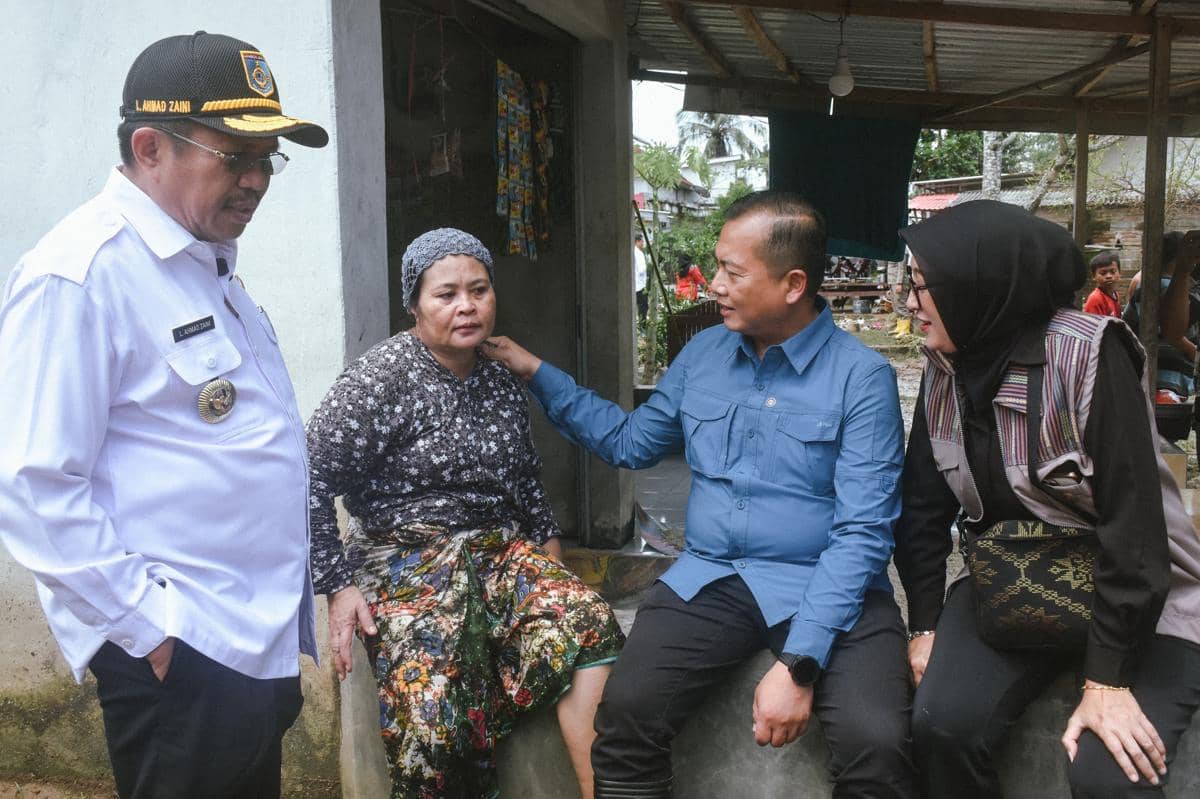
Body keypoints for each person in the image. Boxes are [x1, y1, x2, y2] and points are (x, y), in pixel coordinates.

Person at [486, 191, 915, 799]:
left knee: (878, 744)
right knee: (626, 715)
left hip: (824, 580)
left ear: (793, 284)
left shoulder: (860, 378)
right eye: (717, 266)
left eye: (732, 272)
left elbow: (863, 534)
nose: (714, 284)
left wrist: (800, 663)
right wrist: (536, 372)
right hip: (712, 578)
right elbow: (631, 441)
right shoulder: (705, 353)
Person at [0, 31, 328, 798]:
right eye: (234, 156)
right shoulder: (82, 273)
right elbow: (35, 484)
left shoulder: (205, 267)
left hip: (250, 646)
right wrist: (149, 631)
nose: (256, 180)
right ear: (150, 146)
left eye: (267, 158)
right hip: (184, 654)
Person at [894, 200, 1200, 798]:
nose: (908, 302)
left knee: (1112, 772)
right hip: (1015, 582)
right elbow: (924, 510)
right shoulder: (942, 365)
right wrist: (924, 624)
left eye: (921, 285)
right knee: (941, 725)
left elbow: (1135, 531)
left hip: (1141, 594)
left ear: (978, 285)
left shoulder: (1087, 352)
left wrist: (1106, 682)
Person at [306, 228, 623, 799]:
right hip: (403, 562)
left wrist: (547, 548)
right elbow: (309, 480)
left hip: (496, 554)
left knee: (587, 622)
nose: (466, 306)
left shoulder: (499, 375)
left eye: (479, 290)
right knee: (431, 708)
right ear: (414, 305)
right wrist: (337, 585)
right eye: (446, 294)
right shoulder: (377, 381)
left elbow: (524, 475)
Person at [1124, 232, 1200, 402]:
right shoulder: (1162, 287)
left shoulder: (1156, 284)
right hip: (1165, 376)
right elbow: (1171, 334)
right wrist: (1194, 353)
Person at [1083, 251, 1122, 317]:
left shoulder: (1115, 295)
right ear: (1094, 276)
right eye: (1103, 273)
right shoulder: (1095, 299)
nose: (1109, 276)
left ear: (1120, 273)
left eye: (1113, 272)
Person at [634, 232, 649, 321]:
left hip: (634, 285)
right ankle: (642, 325)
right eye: (642, 241)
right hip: (640, 285)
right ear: (637, 241)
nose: (643, 243)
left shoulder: (632, 251)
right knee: (644, 306)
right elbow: (641, 270)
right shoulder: (639, 253)